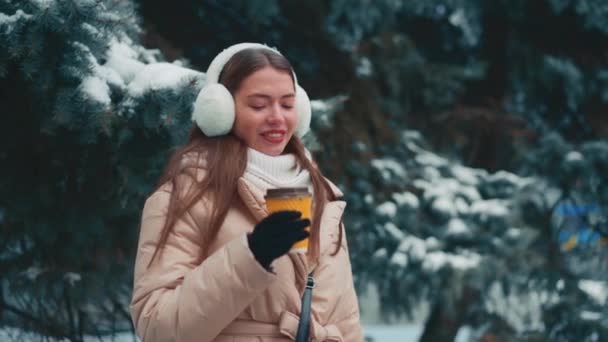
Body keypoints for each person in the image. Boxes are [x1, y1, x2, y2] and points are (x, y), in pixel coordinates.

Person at [129, 42, 363, 342]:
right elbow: (156, 327)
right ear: (221, 110)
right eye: (259, 105)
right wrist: (250, 257)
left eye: (287, 104)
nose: (277, 117)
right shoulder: (187, 193)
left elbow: (347, 325)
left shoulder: (323, 197)